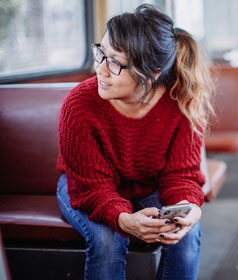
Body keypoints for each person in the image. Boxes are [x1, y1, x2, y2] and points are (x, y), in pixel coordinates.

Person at [56, 4, 214, 280]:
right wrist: (123, 219)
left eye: (115, 62)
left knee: (186, 235)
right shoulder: (79, 105)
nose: (100, 69)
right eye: (101, 53)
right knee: (109, 239)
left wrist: (189, 207)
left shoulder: (182, 103)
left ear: (151, 73)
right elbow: (92, 187)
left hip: (148, 185)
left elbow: (182, 176)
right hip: (84, 185)